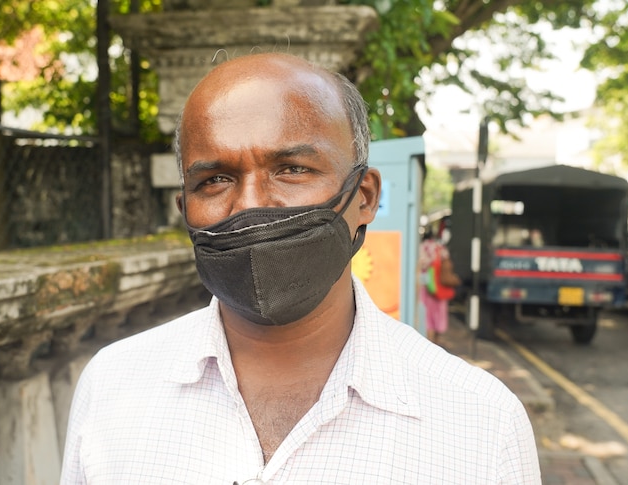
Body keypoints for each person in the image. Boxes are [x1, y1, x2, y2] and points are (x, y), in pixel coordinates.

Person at [60, 52, 541, 484]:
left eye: (291, 169)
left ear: (366, 197)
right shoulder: (112, 387)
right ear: (185, 207)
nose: (250, 205)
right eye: (216, 179)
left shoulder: (481, 422)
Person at [419, 226, 460, 345]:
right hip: (440, 285)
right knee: (439, 313)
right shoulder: (441, 248)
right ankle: (437, 341)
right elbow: (447, 264)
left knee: (428, 315)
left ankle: (429, 341)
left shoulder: (422, 247)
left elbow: (421, 264)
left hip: (426, 285)